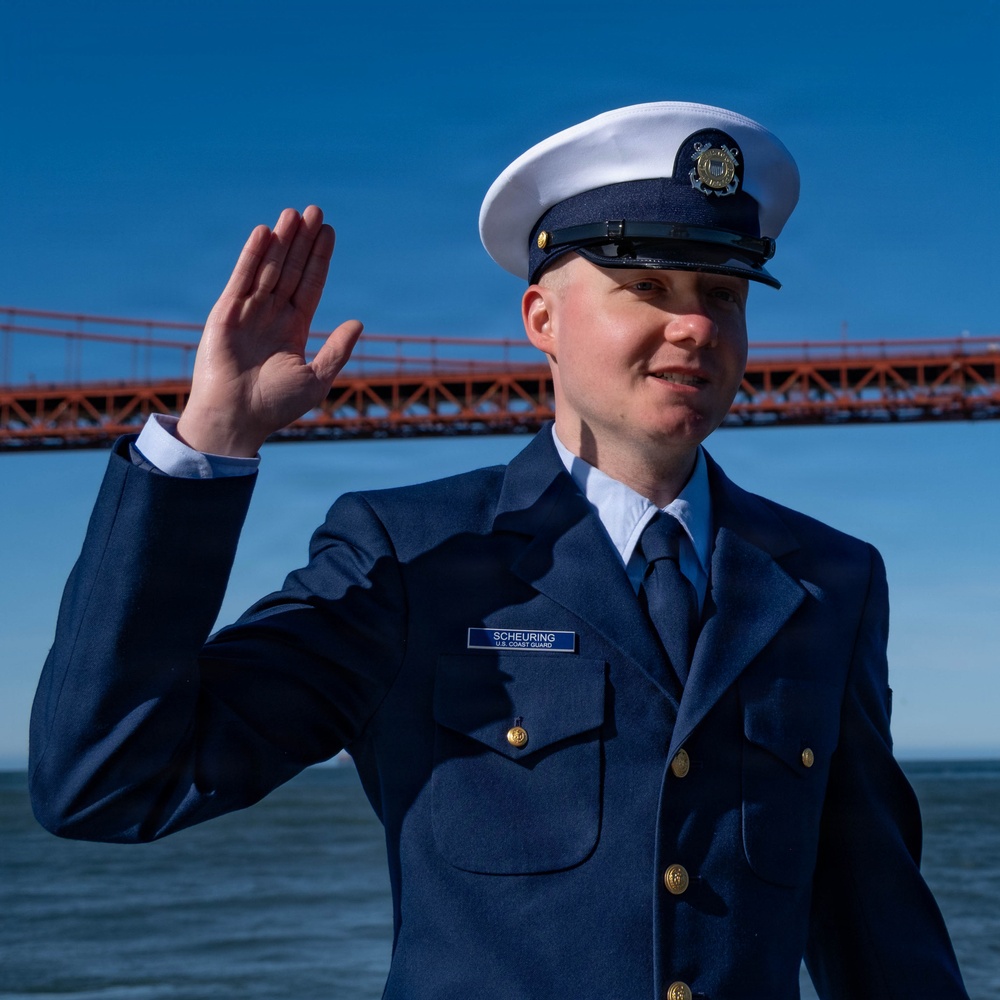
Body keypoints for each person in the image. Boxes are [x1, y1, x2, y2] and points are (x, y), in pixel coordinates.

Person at [29, 102, 969, 1000]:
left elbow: (875, 924)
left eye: (722, 293)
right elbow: (107, 782)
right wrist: (206, 445)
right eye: (646, 286)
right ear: (542, 322)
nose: (694, 326)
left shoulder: (828, 581)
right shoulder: (410, 556)